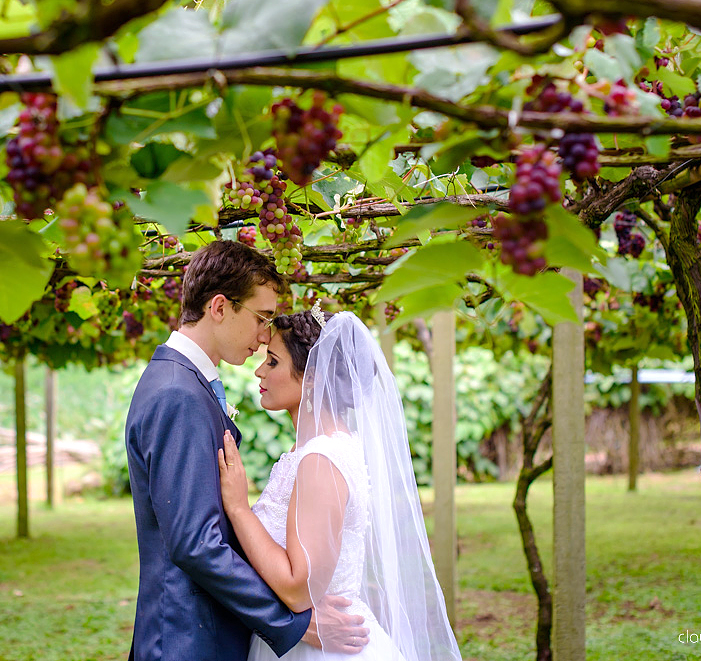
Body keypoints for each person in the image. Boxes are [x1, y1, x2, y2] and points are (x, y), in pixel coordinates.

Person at [126, 241, 370, 661]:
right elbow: (196, 542)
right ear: (220, 308)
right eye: (262, 318)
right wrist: (291, 621)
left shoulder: (186, 384)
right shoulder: (177, 394)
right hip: (187, 640)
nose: (263, 337)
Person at [218, 306, 463, 661]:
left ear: (313, 376)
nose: (259, 370)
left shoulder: (321, 460)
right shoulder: (314, 450)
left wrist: (240, 509)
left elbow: (298, 588)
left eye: (272, 361)